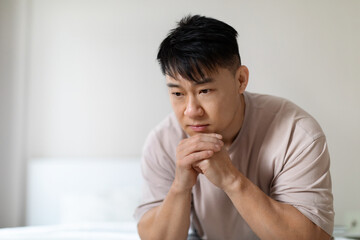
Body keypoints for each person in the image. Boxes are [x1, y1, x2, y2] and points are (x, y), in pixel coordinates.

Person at [133, 15, 334, 240]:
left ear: (240, 80)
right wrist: (180, 186)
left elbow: (313, 238)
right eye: (178, 93)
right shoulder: (162, 141)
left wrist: (231, 180)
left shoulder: (296, 133)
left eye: (204, 91)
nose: (191, 111)